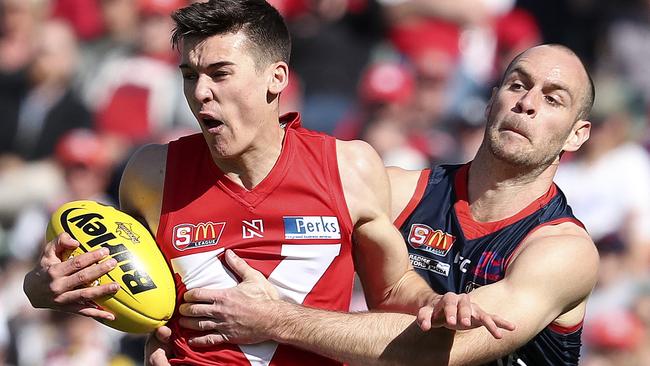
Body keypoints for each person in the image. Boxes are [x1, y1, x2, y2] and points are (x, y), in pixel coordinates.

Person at [21, 1, 512, 365]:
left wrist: (435, 303)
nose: (200, 93)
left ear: (275, 78)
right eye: (189, 75)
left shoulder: (348, 166)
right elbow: (119, 282)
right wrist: (44, 288)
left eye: (219, 73)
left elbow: (394, 288)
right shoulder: (153, 172)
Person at [167, 44, 599, 366]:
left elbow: (441, 351)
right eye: (517, 85)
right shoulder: (396, 191)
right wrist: (161, 328)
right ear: (491, 99)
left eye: (552, 98)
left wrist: (277, 319)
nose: (527, 103)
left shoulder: (562, 250)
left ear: (577, 135)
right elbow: (244, 227)